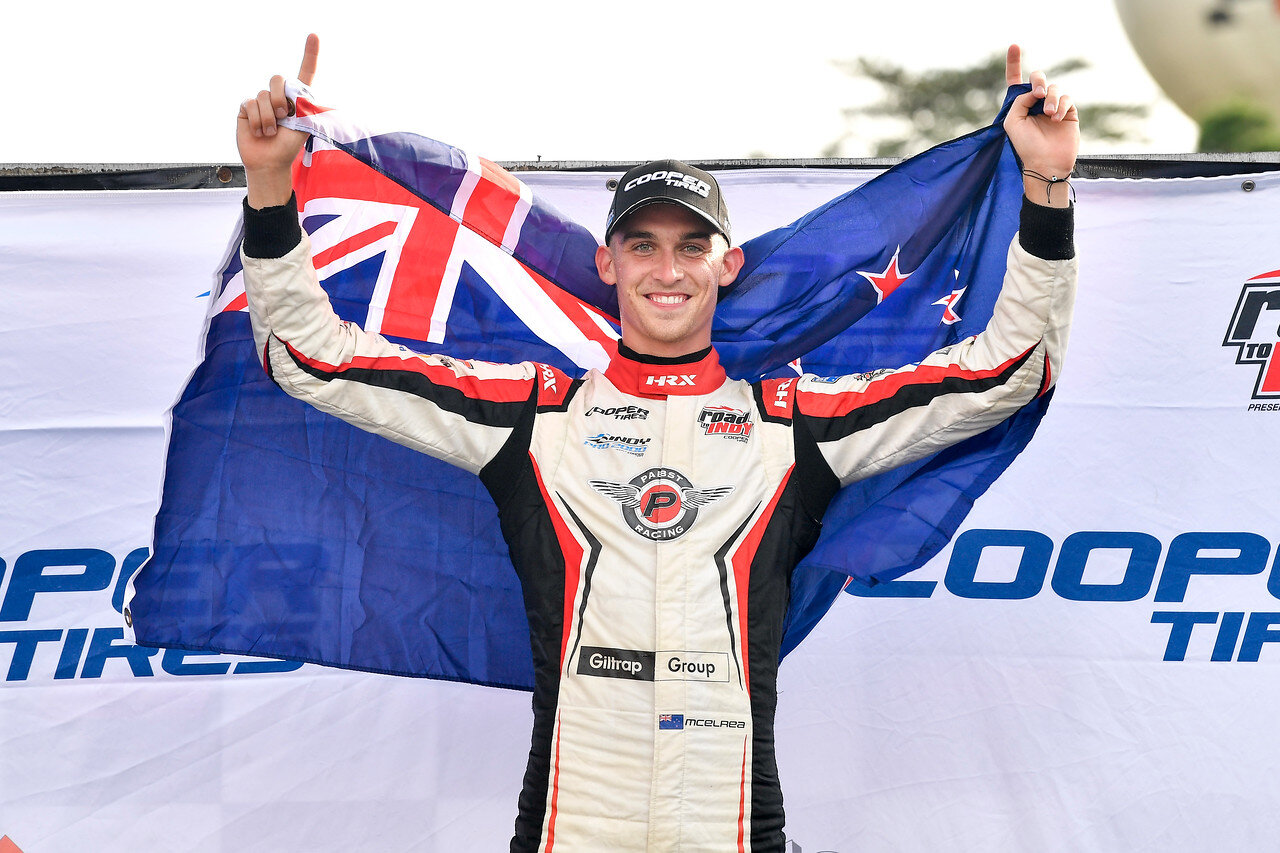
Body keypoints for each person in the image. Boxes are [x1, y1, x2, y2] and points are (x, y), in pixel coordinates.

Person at [236, 35, 1077, 852]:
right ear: (608, 265)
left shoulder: (793, 424)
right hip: (569, 822)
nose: (665, 269)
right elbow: (313, 356)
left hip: (736, 824)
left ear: (727, 265)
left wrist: (1044, 185)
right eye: (643, 245)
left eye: (689, 247)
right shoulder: (536, 415)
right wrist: (272, 189)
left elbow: (1007, 370)